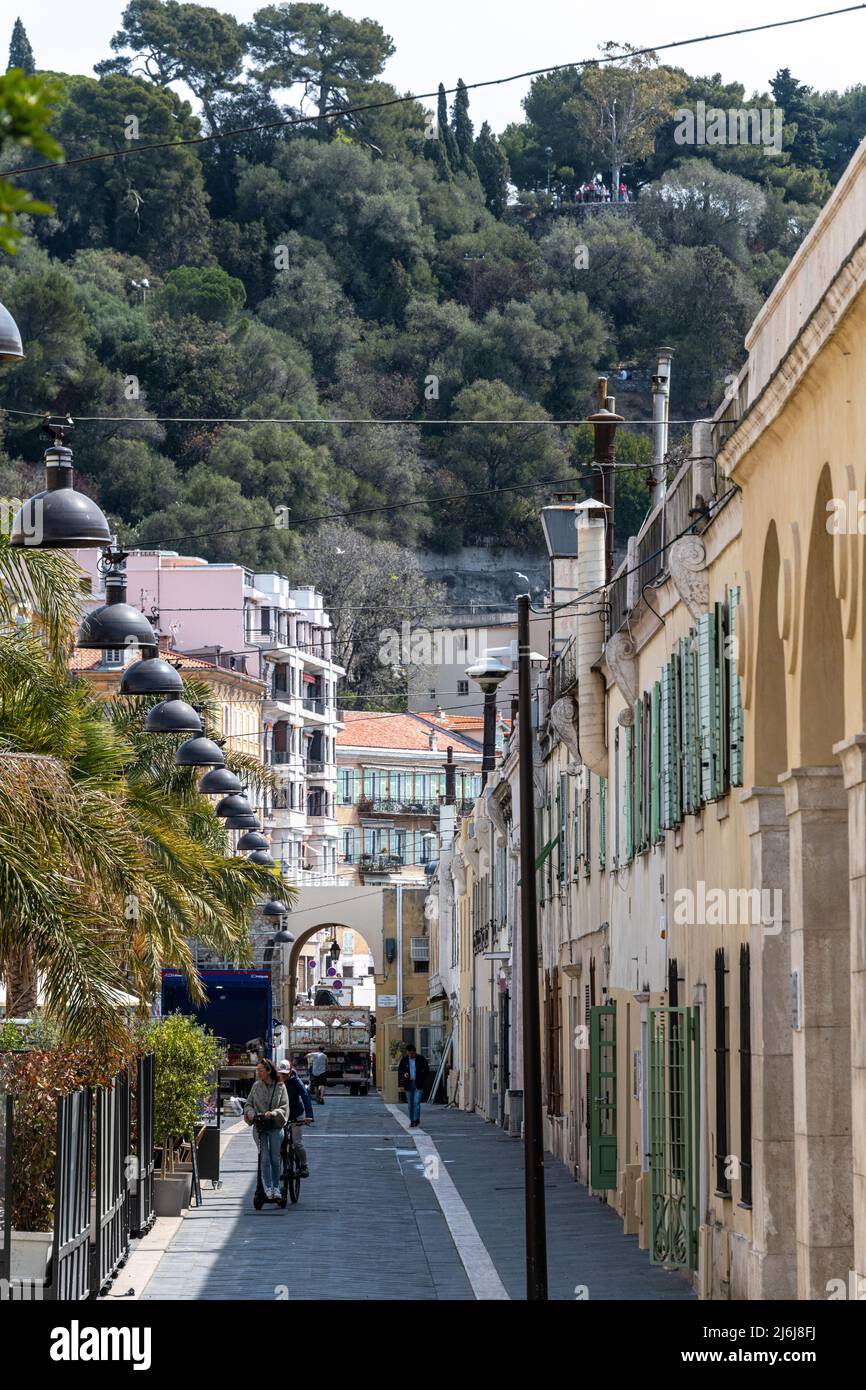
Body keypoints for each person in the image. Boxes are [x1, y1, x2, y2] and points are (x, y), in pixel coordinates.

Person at [243, 1059, 289, 1199]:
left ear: (269, 1071)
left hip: (275, 1125)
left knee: (275, 1157)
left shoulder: (280, 1086)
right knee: (264, 1158)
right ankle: (268, 1187)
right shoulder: (256, 1086)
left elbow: (284, 1106)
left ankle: (276, 1187)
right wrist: (250, 1112)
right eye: (258, 1070)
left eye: (261, 1070)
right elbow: (248, 1103)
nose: (258, 1073)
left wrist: (274, 1113)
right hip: (260, 1126)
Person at [277, 1059, 314, 1178]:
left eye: (285, 1074)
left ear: (290, 1072)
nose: (283, 1076)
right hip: (282, 1115)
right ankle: (282, 1169)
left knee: (297, 1142)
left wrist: (309, 1115)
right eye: (281, 1074)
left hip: (297, 1114)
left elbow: (305, 1097)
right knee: (279, 1143)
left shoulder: (296, 1081)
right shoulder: (276, 1081)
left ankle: (304, 1166)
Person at [397, 1044, 430, 1128]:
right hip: (408, 1084)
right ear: (407, 1052)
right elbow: (400, 1070)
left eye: (413, 1053)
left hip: (418, 1083)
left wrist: (423, 1078)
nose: (411, 1055)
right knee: (410, 1104)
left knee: (416, 1102)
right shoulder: (404, 1060)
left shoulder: (421, 1059)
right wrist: (404, 1073)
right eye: (410, 1053)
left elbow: (426, 1069)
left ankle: (415, 1120)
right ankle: (412, 1120)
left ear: (415, 1052)